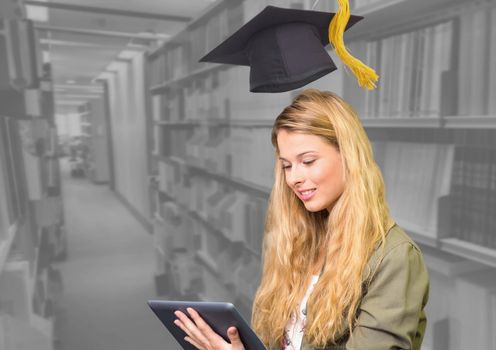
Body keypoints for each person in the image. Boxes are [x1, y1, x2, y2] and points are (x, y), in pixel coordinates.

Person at [173, 89, 429, 350]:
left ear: (349, 156)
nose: (293, 178)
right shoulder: (292, 239)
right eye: (286, 165)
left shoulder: (395, 258)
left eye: (307, 161)